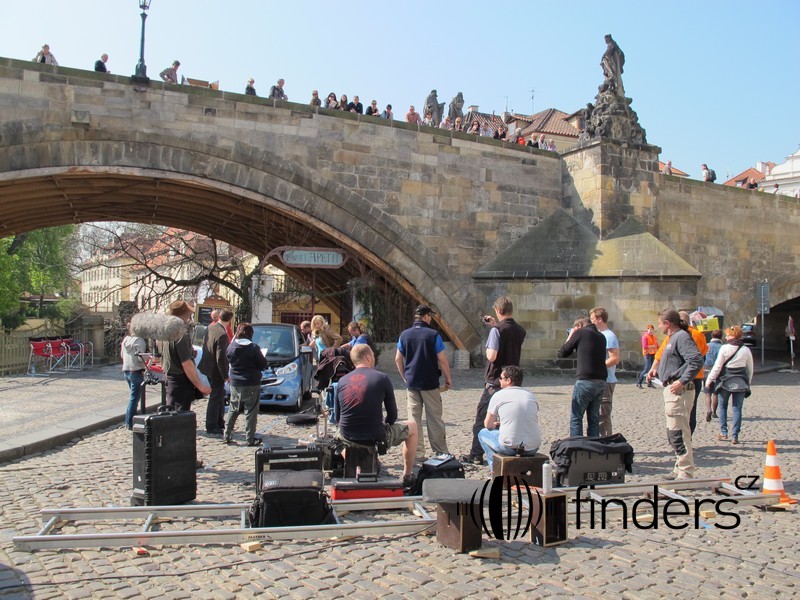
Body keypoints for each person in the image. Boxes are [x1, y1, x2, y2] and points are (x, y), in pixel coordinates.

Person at [336, 345, 418, 487]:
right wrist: (385, 424)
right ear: (368, 357)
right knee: (413, 427)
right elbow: (392, 415)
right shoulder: (382, 378)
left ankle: (356, 465)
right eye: (373, 355)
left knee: (338, 436)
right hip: (374, 436)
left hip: (348, 437)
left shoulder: (342, 381)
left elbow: (338, 417)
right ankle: (407, 475)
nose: (374, 358)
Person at [463, 297, 526, 465]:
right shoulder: (520, 330)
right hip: (514, 381)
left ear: (498, 311)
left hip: (496, 380)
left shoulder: (497, 331)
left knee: (482, 419)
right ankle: (507, 450)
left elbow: (492, 356)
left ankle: (476, 454)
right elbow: (508, 340)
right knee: (507, 418)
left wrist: (490, 340)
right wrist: (495, 326)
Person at [647, 309, 703, 480]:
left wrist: (682, 381)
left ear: (668, 323)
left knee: (679, 432)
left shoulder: (682, 337)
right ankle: (679, 467)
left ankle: (686, 471)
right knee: (674, 432)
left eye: (660, 323)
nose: (658, 327)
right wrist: (656, 371)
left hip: (679, 391)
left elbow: (696, 360)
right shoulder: (673, 338)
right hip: (672, 389)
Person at [395, 305, 452, 461]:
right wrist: (448, 377)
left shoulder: (404, 335)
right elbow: (442, 359)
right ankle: (440, 451)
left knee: (414, 420)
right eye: (430, 316)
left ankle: (417, 453)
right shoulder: (433, 335)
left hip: (412, 383)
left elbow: (398, 359)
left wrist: (404, 377)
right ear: (426, 316)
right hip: (430, 382)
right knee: (434, 418)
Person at [477, 366, 541, 472]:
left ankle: (496, 470)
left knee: (482, 433)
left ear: (508, 380)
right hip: (532, 446)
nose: (499, 380)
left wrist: (495, 425)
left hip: (509, 447)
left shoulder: (499, 395)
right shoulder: (530, 395)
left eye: (501, 378)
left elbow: (487, 424)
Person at [558, 317, 607, 437]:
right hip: (601, 381)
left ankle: (577, 445)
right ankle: (593, 445)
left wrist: (571, 335)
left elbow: (563, 352)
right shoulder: (601, 336)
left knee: (576, 417)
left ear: (579, 326)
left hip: (585, 381)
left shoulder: (581, 332)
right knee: (594, 418)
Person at [705, 326, 754, 445]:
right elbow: (750, 368)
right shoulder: (745, 350)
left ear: (732, 336)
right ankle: (735, 435)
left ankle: (724, 432)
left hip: (725, 380)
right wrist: (748, 382)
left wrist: (709, 379)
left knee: (722, 406)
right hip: (741, 380)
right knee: (737, 408)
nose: (726, 337)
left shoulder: (725, 348)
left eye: (727, 335)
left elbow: (717, 366)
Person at [224, 323, 269, 446]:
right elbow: (263, 364)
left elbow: (228, 359)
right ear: (251, 334)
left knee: (233, 408)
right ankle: (250, 438)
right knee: (251, 411)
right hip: (251, 381)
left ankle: (227, 434)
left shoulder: (232, 346)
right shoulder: (253, 348)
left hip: (235, 382)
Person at [163, 300, 210, 411]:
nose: (189, 317)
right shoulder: (181, 335)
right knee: (180, 415)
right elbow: (187, 364)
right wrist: (201, 386)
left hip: (170, 377)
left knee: (172, 412)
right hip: (180, 380)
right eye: (188, 315)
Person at [198, 309, 232, 434]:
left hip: (207, 366)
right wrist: (225, 375)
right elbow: (220, 358)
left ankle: (219, 422)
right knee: (215, 397)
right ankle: (211, 425)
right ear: (229, 320)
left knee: (219, 395)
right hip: (215, 370)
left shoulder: (211, 327)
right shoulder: (222, 334)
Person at [589, 307, 619, 437]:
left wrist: (597, 367)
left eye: (592, 319)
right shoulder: (598, 335)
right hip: (598, 379)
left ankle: (606, 441)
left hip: (606, 380)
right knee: (596, 415)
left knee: (603, 415)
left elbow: (614, 358)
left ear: (600, 319)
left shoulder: (609, 336)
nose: (591, 322)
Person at [679, 310, 708, 435]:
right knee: (692, 407)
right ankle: (688, 435)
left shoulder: (676, 334)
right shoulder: (698, 335)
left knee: (678, 407)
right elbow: (704, 353)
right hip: (696, 375)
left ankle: (679, 435)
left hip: (680, 376)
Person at [120, 324, 146, 430]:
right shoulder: (140, 341)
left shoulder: (125, 340)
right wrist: (149, 357)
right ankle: (129, 422)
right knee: (134, 399)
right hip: (136, 371)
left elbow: (122, 355)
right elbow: (140, 358)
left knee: (133, 398)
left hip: (126, 371)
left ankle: (130, 420)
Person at [703, 329, 724, 422]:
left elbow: (702, 357)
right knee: (716, 392)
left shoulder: (706, 345)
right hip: (718, 371)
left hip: (706, 369)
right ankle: (714, 412)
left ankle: (708, 410)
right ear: (721, 337)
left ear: (712, 336)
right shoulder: (722, 347)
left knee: (708, 392)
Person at [636, 324, 658, 389]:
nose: (651, 330)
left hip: (653, 353)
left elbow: (657, 345)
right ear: (647, 329)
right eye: (649, 329)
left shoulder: (654, 337)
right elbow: (645, 346)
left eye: (652, 329)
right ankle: (639, 382)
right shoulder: (645, 337)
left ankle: (649, 383)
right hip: (647, 354)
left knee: (651, 369)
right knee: (646, 369)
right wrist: (652, 346)